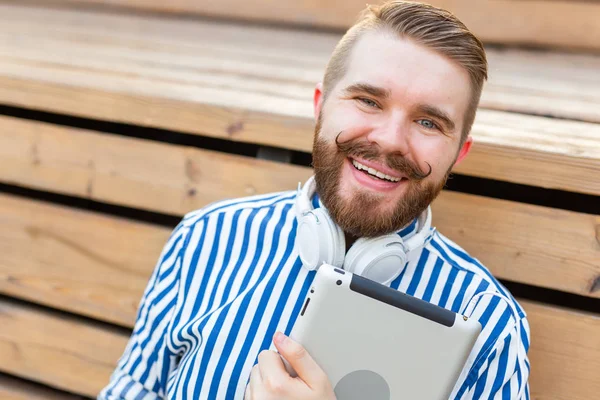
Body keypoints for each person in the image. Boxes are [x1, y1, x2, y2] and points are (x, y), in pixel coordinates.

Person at [99, 1, 530, 399]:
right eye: (367, 100)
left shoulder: (489, 325)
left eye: (428, 122)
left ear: (459, 153)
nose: (389, 140)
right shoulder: (205, 239)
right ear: (321, 106)